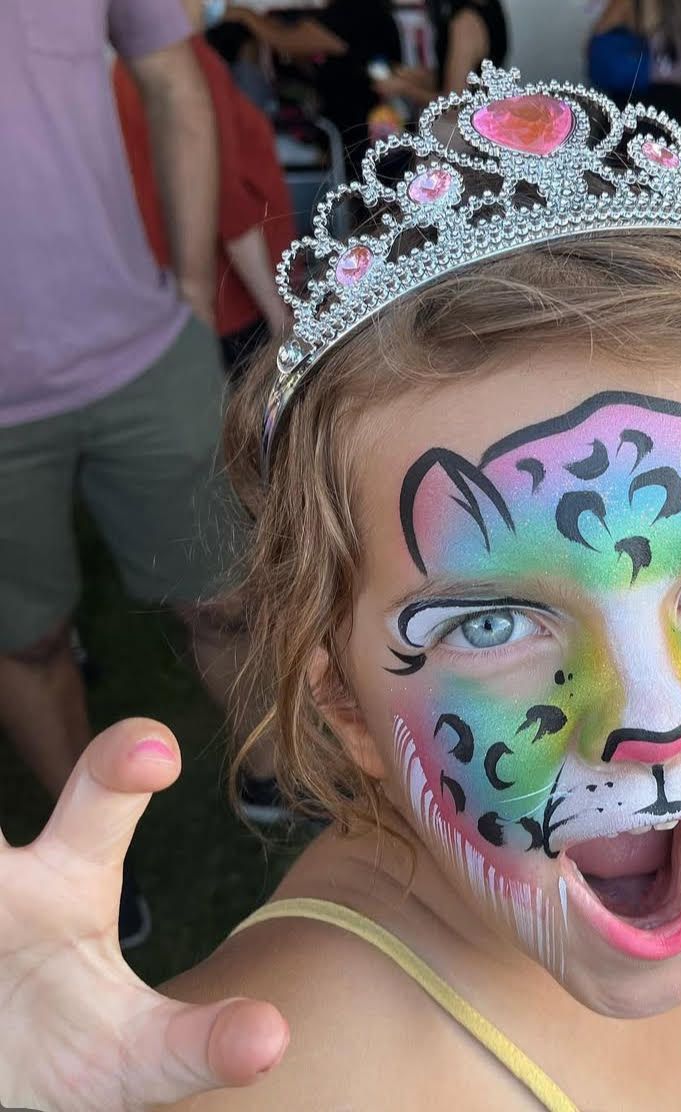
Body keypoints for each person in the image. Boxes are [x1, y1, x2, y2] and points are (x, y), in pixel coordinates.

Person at [0, 64, 681, 1111]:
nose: (656, 719)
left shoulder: (665, 825)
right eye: (498, 619)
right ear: (336, 699)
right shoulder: (296, 1062)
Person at [0, 0, 261, 947]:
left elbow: (172, 77)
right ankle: (93, 856)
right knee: (28, 643)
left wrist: (194, 286)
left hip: (142, 347)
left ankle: (278, 775)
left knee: (227, 594)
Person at [115, 0, 296, 374]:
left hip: (169, 294)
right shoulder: (188, 69)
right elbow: (227, 202)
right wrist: (278, 313)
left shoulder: (130, 67)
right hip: (228, 302)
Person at [223, 1, 401, 171]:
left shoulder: (356, 10)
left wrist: (246, 16)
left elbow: (288, 41)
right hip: (351, 134)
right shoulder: (356, 11)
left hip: (365, 133)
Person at [374, 0, 509, 112]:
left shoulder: (466, 23)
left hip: (460, 137)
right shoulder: (490, 9)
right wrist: (410, 76)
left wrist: (404, 89)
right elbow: (451, 77)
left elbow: (454, 107)